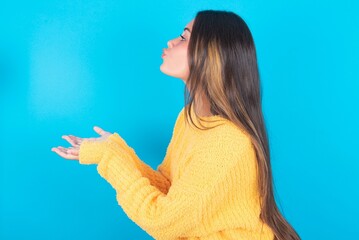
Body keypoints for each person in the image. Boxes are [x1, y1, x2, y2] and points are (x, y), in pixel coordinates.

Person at [51, 10, 301, 240]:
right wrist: (117, 150)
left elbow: (162, 221)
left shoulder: (227, 142)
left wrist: (111, 158)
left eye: (184, 38)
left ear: (211, 53)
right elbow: (170, 188)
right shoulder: (190, 117)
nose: (171, 42)